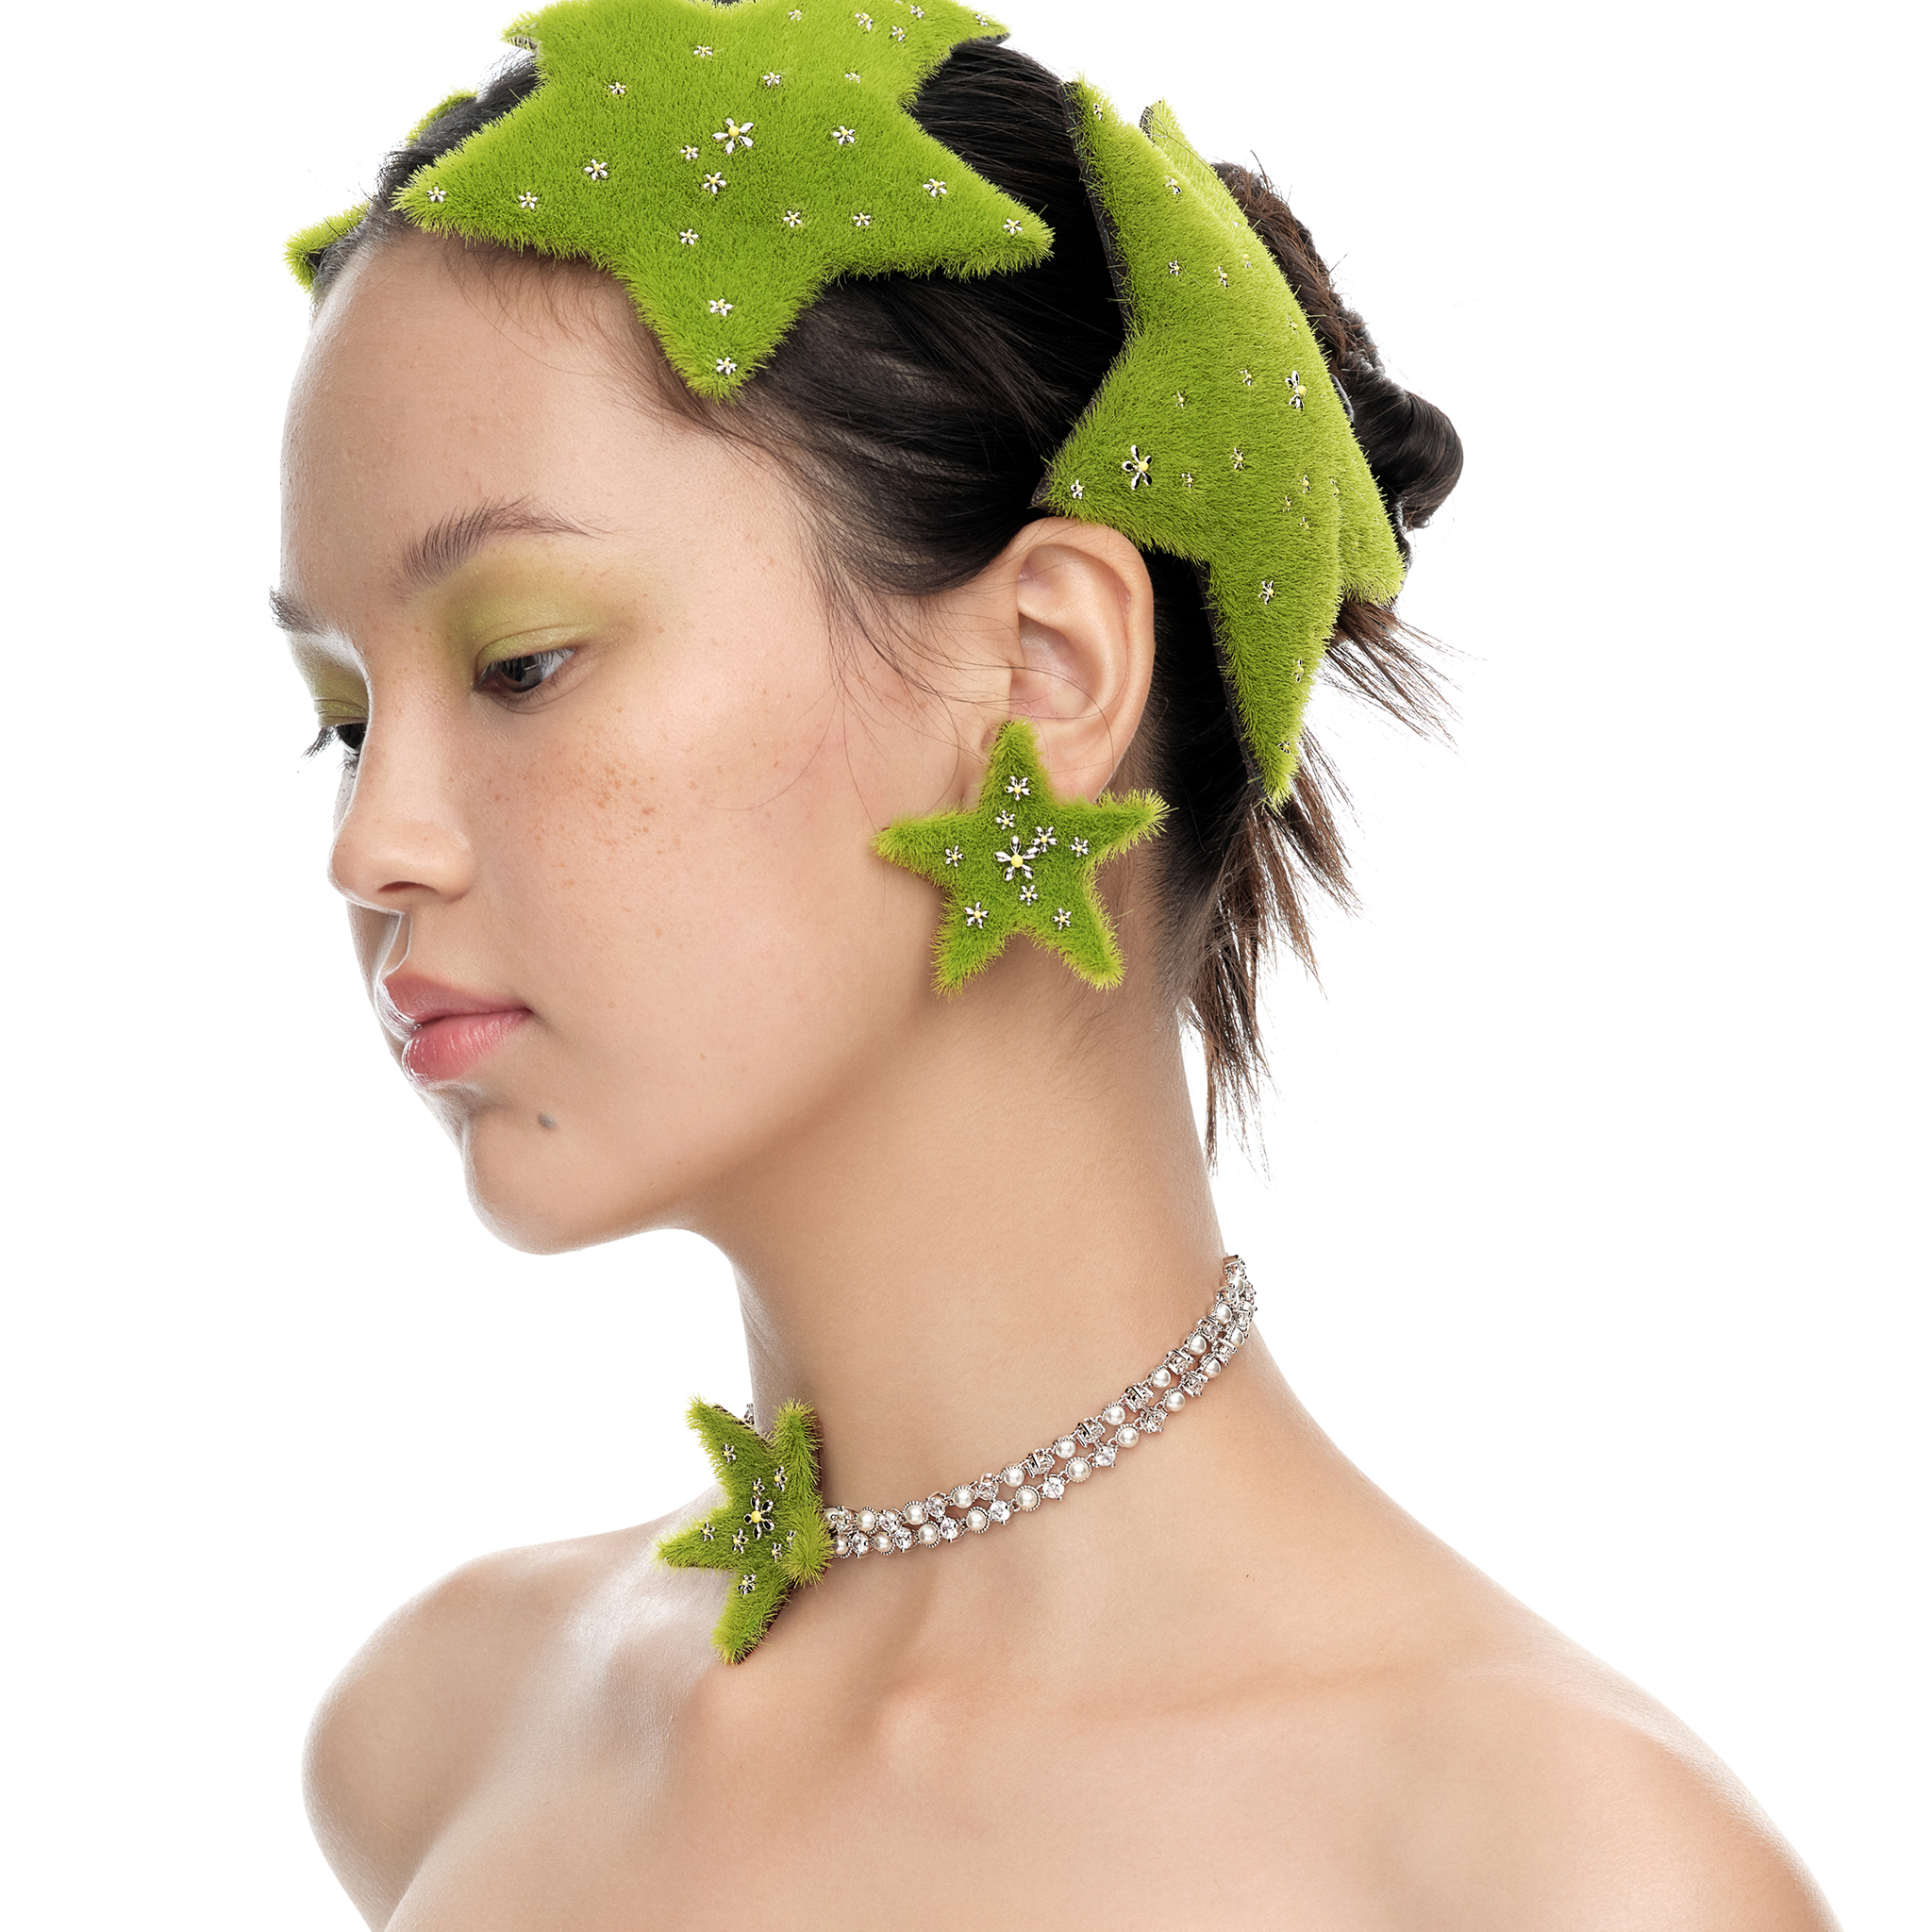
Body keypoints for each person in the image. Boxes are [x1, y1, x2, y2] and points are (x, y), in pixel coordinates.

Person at [277, 5, 1840, 1924]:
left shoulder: (1541, 1874)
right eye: (341, 717)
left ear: (1043, 671)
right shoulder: (445, 1733)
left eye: (521, 662)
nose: (372, 842)